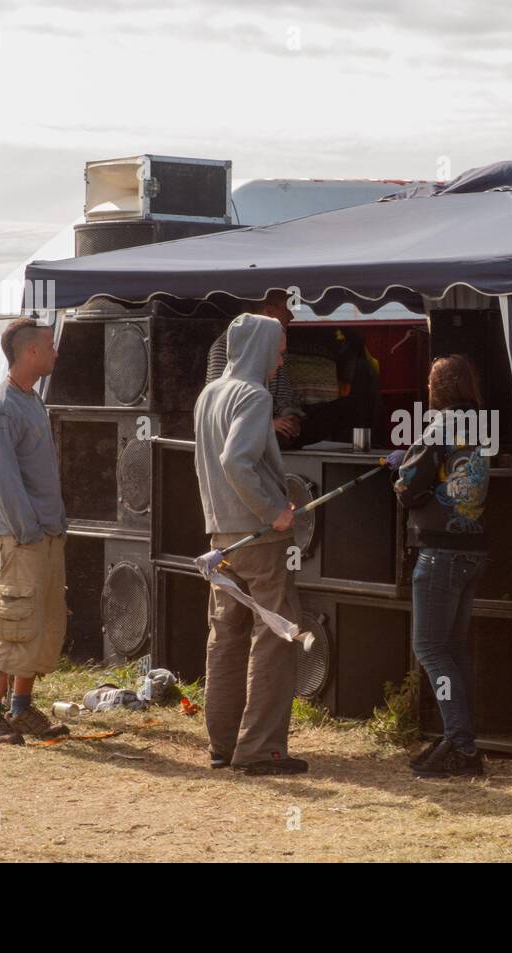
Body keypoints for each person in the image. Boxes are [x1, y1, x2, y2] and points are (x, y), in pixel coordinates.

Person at [194, 311, 307, 775]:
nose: (281, 362)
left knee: (225, 638)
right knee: (277, 636)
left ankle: (223, 744)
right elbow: (236, 461)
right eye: (279, 352)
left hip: (220, 536)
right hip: (257, 537)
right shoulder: (254, 395)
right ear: (262, 348)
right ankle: (261, 748)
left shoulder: (209, 394)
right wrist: (273, 511)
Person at [0, 316, 71, 745]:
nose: (55, 352)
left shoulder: (32, 399)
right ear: (30, 352)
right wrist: (28, 532)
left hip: (46, 533)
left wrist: (53, 527)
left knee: (42, 622)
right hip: (21, 538)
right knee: (14, 619)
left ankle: (22, 709)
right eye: (49, 345)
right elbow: (3, 482)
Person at [393, 355, 490, 778]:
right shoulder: (483, 425)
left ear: (438, 389)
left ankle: (462, 745)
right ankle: (459, 736)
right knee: (452, 649)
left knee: (430, 648)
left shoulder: (440, 426)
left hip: (440, 553)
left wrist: (401, 467)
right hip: (472, 549)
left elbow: (409, 489)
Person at [205, 290, 305, 447]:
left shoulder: (276, 345)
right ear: (270, 312)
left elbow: (284, 397)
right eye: (288, 309)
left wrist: (290, 418)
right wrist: (269, 424)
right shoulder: (222, 348)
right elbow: (223, 415)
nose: (292, 316)